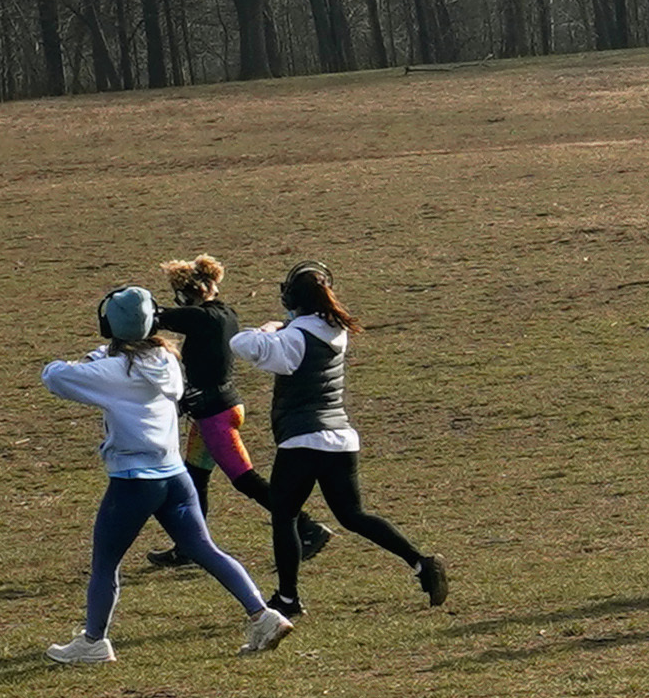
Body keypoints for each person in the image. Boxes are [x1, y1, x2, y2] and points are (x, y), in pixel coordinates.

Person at [41, 285, 287, 664]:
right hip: (175, 475)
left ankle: (93, 642)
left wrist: (95, 356)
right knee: (205, 549)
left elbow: (54, 376)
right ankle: (263, 614)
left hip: (134, 481)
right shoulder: (167, 359)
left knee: (106, 563)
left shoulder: (111, 370)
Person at [230, 262, 447, 612]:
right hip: (341, 438)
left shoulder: (293, 337)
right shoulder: (335, 331)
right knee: (353, 515)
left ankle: (288, 598)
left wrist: (270, 327)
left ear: (292, 300)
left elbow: (242, 344)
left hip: (302, 439)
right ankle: (421, 562)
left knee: (284, 516)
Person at [150, 253, 270, 513]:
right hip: (218, 409)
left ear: (185, 295)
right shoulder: (226, 313)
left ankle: (307, 526)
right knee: (195, 478)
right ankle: (193, 538)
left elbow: (157, 318)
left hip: (216, 415)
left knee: (246, 480)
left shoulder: (201, 318)